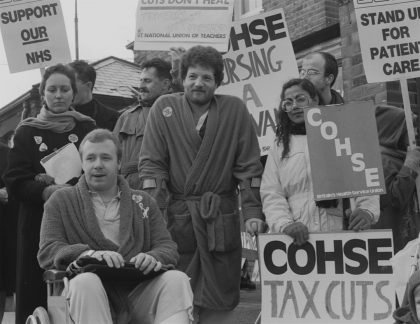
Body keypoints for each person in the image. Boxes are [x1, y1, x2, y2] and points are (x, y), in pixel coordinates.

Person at [138, 45, 265, 324]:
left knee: (220, 296)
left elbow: (249, 168)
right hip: (178, 218)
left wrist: (253, 213)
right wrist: (154, 213)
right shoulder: (164, 107)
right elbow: (152, 166)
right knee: (176, 294)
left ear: (217, 82)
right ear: (182, 79)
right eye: (193, 76)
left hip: (220, 217)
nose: (199, 83)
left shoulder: (235, 110)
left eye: (207, 78)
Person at [38, 129, 193, 324]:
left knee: (176, 279)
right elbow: (48, 250)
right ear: (82, 163)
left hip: (137, 293)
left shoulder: (143, 202)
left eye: (106, 158)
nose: (98, 165)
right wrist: (89, 255)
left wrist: (153, 257)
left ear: (119, 163)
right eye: (91, 158)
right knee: (86, 282)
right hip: (85, 295)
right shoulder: (60, 201)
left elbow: (168, 247)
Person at [3, 64, 96, 324]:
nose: (58, 95)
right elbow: (14, 182)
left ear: (73, 93)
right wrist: (46, 190)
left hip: (80, 222)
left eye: (64, 89)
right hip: (37, 225)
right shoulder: (26, 131)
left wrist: (75, 189)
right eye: (52, 89)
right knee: (35, 296)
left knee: (78, 292)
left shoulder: (88, 129)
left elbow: (99, 169)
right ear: (43, 93)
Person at [261, 78, 379, 245]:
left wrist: (367, 210)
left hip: (342, 233)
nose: (294, 106)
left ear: (315, 100)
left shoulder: (342, 132)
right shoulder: (279, 147)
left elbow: (363, 177)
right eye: (288, 102)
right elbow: (271, 193)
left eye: (300, 99)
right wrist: (285, 224)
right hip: (296, 238)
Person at [113, 58, 172, 189]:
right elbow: (111, 155)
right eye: (141, 80)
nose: (140, 86)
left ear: (166, 84)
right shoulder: (126, 117)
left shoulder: (175, 114)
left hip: (161, 189)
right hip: (125, 190)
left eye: (147, 81)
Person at [373, 105, 420, 253]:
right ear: (394, 130)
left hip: (406, 237)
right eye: (410, 127)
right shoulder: (380, 160)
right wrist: (410, 166)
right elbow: (393, 199)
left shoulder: (402, 157)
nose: (416, 132)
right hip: (391, 242)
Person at [69, 60, 119, 131]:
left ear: (88, 86)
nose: (66, 91)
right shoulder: (55, 114)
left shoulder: (112, 118)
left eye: (71, 86)